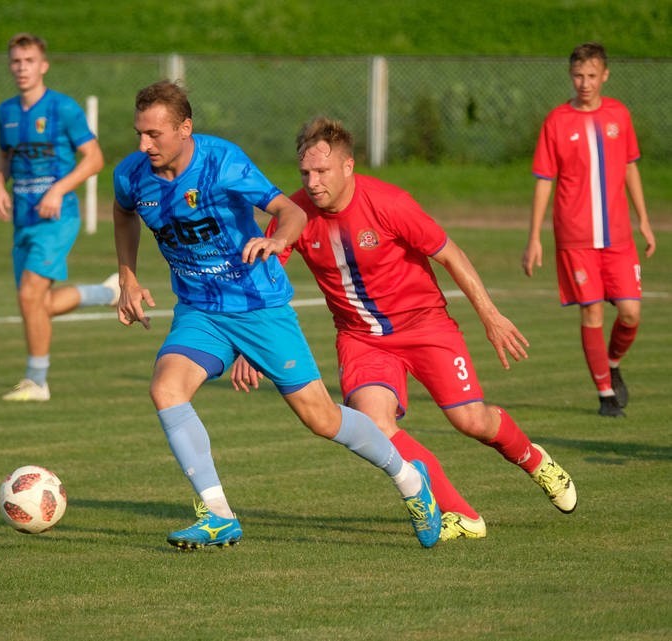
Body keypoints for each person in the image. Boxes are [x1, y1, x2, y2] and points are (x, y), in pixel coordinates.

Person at [112, 80, 442, 550]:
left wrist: (278, 240)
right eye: (139, 134)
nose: (144, 145)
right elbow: (123, 211)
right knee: (166, 388)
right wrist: (127, 274)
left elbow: (290, 211)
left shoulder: (221, 161)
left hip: (256, 305)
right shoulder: (131, 173)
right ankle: (218, 516)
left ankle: (410, 480)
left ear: (185, 129)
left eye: (155, 135)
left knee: (322, 419)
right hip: (200, 310)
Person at [232, 116, 578, 537]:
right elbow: (266, 279)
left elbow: (451, 255)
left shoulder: (389, 203)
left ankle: (534, 460)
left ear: (347, 167)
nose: (313, 182)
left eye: (322, 171)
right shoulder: (295, 215)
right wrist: (250, 346)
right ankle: (462, 515)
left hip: (425, 325)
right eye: (305, 173)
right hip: (361, 338)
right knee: (374, 425)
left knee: (472, 421)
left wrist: (490, 315)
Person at [523, 42, 655, 418]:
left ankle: (612, 363)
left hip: (618, 237)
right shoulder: (557, 121)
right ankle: (605, 394)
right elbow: (544, 180)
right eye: (579, 75)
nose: (585, 83)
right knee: (592, 313)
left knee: (630, 313)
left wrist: (644, 218)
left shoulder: (619, 115)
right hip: (575, 237)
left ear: (605, 76)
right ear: (571, 76)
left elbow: (630, 166)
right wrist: (534, 237)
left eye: (592, 76)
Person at [0, 33, 117, 402]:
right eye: (16, 61)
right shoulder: (7, 112)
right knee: (36, 304)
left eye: (29, 61)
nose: (21, 68)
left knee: (30, 294)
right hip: (23, 220)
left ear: (43, 65)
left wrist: (59, 189)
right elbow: (4, 156)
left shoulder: (63, 109)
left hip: (57, 218)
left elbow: (94, 158)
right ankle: (109, 292)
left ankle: (37, 381)